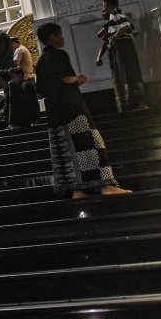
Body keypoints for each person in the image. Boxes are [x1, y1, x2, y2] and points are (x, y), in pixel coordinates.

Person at [35, 22, 131, 198]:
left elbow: (40, 90)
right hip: (72, 109)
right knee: (92, 145)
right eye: (60, 34)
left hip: (55, 114)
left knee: (66, 152)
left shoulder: (40, 62)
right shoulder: (58, 55)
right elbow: (65, 78)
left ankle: (77, 190)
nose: (62, 38)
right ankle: (104, 186)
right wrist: (77, 79)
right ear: (52, 37)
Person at [96, 0, 147, 112]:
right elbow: (102, 38)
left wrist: (115, 37)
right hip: (116, 52)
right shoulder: (111, 22)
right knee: (122, 78)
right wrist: (99, 57)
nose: (102, 10)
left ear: (107, 5)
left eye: (103, 7)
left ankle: (137, 103)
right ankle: (127, 106)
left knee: (129, 75)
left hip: (123, 49)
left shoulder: (117, 14)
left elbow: (126, 26)